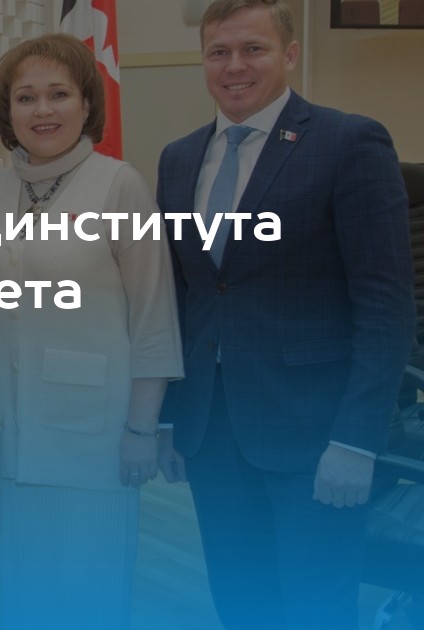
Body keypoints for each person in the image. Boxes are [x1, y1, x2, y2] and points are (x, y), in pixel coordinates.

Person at [156, 1, 415, 628]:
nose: (234, 66)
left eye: (254, 49)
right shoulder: (178, 158)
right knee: (240, 601)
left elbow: (385, 307)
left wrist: (357, 440)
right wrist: (170, 418)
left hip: (316, 436)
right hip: (213, 433)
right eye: (219, 52)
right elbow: (182, 299)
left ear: (290, 55)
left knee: (315, 607)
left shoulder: (348, 142)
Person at [0, 33, 183, 629]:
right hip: (12, 425)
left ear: (86, 104)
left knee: (90, 594)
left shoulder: (119, 185)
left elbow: (154, 316)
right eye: (26, 97)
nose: (42, 110)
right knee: (25, 590)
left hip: (97, 438)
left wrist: (143, 429)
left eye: (59, 94)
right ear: (7, 112)